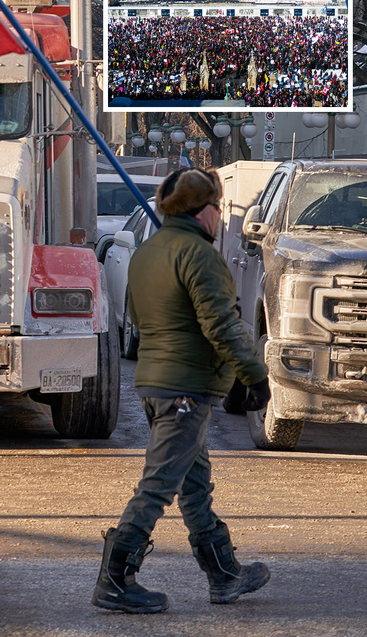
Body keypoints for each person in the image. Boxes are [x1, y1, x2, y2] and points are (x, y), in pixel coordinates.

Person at [93, 168, 271, 614]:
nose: (219, 217)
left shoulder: (148, 252)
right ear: (201, 209)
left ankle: (224, 573)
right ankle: (115, 580)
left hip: (157, 381)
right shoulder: (199, 256)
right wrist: (254, 375)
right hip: (185, 388)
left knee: (194, 486)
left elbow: (135, 313)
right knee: (158, 486)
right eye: (216, 207)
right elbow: (222, 324)